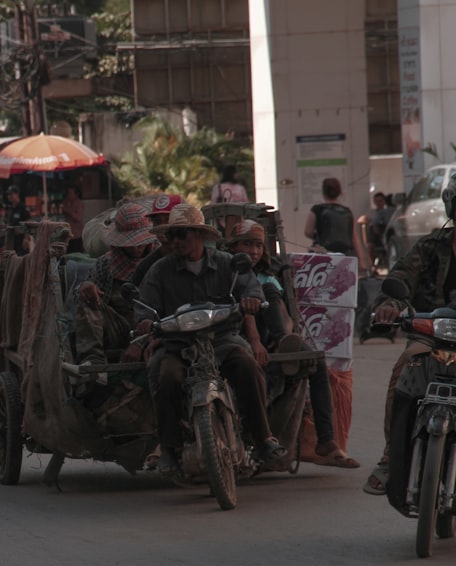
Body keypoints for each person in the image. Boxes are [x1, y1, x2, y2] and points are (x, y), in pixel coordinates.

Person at [137, 204, 285, 473]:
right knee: (166, 376)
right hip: (178, 345)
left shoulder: (227, 263)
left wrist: (251, 299)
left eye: (181, 234)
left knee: (248, 366)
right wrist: (145, 322)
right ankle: (169, 448)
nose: (176, 241)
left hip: (222, 340)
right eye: (172, 236)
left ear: (200, 236)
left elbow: (250, 286)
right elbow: (144, 307)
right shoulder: (160, 270)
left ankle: (263, 438)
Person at [224, 220, 359, 468]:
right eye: (246, 244)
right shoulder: (226, 270)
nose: (253, 251)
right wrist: (255, 343)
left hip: (273, 337)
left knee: (315, 361)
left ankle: (326, 440)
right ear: (233, 247)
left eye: (257, 245)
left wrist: (282, 338)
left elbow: (284, 312)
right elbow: (245, 311)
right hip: (235, 337)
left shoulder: (269, 273)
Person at [366, 172, 456, 496]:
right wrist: (389, 304)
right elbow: (402, 275)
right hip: (430, 336)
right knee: (404, 370)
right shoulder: (430, 246)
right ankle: (391, 458)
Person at [75, 201, 159, 368]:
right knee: (85, 296)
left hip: (152, 326)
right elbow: (83, 295)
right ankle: (93, 359)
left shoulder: (160, 260)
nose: (137, 246)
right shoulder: (105, 264)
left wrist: (141, 342)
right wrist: (85, 288)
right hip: (117, 328)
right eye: (132, 242)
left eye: (140, 240)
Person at [304, 177, 369, 273]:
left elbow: (308, 231)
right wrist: (362, 261)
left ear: (323, 192)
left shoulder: (317, 209)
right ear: (340, 192)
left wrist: (318, 236)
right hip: (345, 255)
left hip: (323, 254)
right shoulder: (347, 211)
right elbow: (354, 238)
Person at [357, 191, 393, 272]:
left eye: (380, 201)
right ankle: (371, 266)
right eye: (376, 201)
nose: (378, 203)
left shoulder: (388, 212)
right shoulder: (372, 212)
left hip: (385, 234)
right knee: (370, 244)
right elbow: (361, 220)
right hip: (375, 237)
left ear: (384, 201)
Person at [62, 185, 85, 254]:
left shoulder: (79, 203)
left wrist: (68, 210)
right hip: (68, 236)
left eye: (71, 193)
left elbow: (78, 218)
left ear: (76, 194)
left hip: (76, 236)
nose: (69, 195)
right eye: (68, 193)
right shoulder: (66, 202)